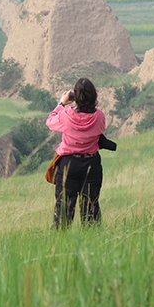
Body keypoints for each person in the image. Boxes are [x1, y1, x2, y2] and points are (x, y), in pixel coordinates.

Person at [46, 78, 106, 227]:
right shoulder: (99, 116)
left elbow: (50, 121)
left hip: (68, 164)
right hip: (91, 164)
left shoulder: (66, 115)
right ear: (94, 96)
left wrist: (61, 103)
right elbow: (100, 131)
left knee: (64, 209)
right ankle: (93, 244)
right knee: (91, 208)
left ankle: (59, 245)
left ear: (76, 97)